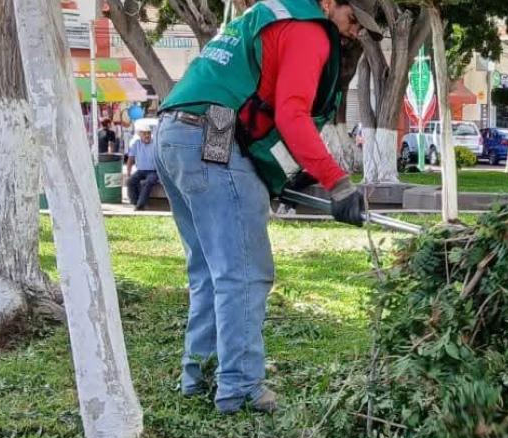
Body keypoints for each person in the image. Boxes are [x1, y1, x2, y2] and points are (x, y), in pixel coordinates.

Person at [155, 0, 380, 414]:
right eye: (353, 20)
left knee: (210, 269)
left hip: (177, 130)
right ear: (329, 3)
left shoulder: (271, 14)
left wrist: (289, 175)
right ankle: (239, 390)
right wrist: (339, 184)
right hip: (211, 133)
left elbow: (257, 107)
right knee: (243, 272)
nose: (353, 32)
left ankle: (200, 377)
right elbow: (293, 114)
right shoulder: (309, 31)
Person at [124, 127, 160, 210]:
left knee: (148, 182)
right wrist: (128, 173)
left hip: (153, 171)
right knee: (130, 181)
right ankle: (135, 202)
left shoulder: (156, 144)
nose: (147, 135)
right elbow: (130, 159)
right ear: (140, 135)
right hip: (140, 171)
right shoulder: (136, 144)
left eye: (148, 133)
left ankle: (140, 206)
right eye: (144, 133)